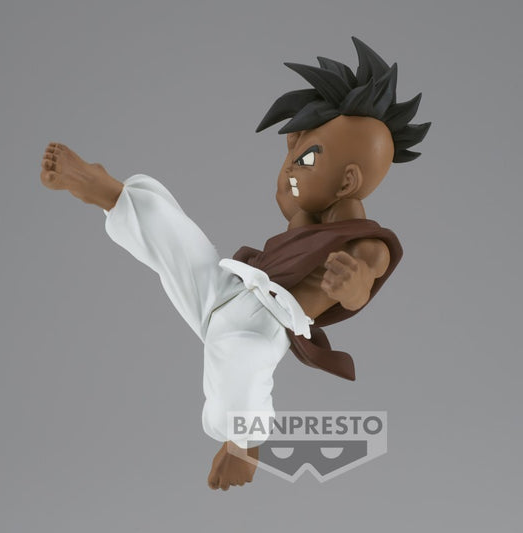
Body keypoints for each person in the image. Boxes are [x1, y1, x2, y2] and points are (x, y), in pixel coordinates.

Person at [39, 37, 430, 491]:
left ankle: (243, 444)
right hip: (234, 287)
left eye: (305, 159)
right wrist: (298, 156)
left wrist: (354, 284)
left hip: (267, 321)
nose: (290, 168)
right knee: (180, 240)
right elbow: (290, 198)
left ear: (347, 181)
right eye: (292, 150)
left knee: (243, 361)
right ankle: (109, 191)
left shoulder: (366, 241)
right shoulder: (306, 215)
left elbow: (367, 277)